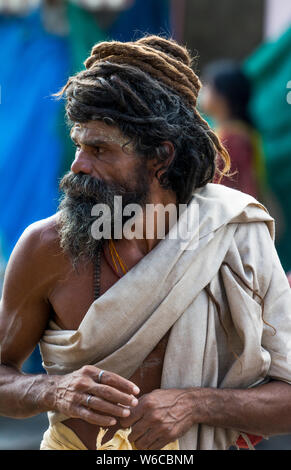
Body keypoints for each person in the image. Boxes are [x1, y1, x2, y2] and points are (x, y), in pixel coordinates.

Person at [1, 35, 291, 451]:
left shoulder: (236, 233)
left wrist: (195, 406)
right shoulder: (47, 246)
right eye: (79, 145)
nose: (79, 165)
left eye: (99, 149)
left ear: (161, 157)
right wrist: (54, 390)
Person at [200, 60, 267, 201]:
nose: (202, 90)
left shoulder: (233, 138)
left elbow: (235, 187)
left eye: (208, 86)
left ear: (223, 97)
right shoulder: (231, 132)